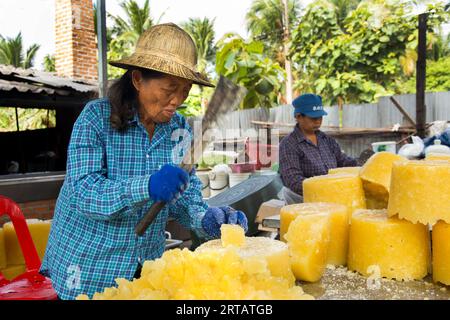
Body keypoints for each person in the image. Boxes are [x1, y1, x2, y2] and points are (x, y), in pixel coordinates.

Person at [40, 23, 248, 300]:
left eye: (185, 90)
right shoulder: (96, 118)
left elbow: (186, 198)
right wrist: (146, 186)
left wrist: (206, 218)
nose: (177, 100)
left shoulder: (180, 131)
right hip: (87, 268)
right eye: (169, 88)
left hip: (143, 269)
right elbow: (84, 194)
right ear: (137, 80)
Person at [279, 93, 358, 204]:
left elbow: (343, 161)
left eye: (320, 117)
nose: (318, 121)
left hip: (333, 197)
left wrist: (362, 165)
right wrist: (323, 190)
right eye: (313, 118)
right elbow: (293, 180)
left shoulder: (326, 140)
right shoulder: (289, 144)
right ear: (298, 117)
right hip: (305, 202)